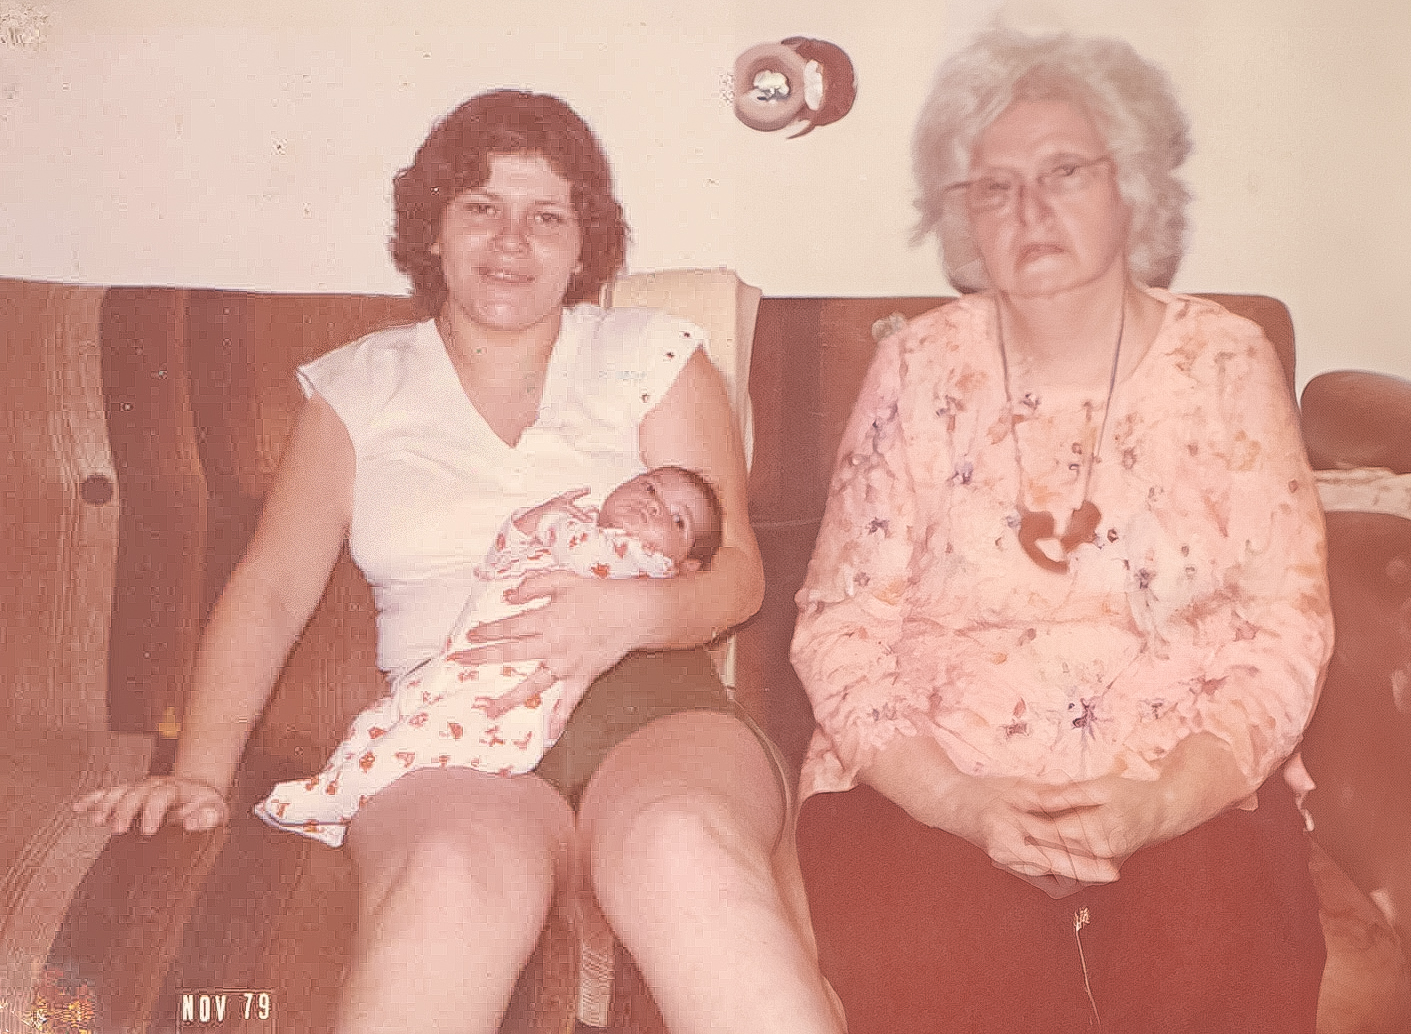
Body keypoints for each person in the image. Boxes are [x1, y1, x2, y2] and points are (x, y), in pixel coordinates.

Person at [74, 89, 845, 1034]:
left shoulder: (651, 355)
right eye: (481, 206)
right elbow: (272, 590)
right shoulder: (357, 388)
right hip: (447, 731)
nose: (511, 240)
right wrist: (198, 774)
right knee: (449, 882)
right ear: (432, 229)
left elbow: (736, 577)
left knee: (683, 848)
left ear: (583, 244)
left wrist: (626, 617)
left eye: (546, 216)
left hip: (656, 710)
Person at [791, 26, 1333, 1034]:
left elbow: (1283, 626)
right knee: (951, 976)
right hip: (932, 788)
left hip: (1180, 784)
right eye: (993, 188)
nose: (1028, 210)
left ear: (1131, 185)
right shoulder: (914, 365)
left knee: (1217, 958)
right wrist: (958, 802)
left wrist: (1162, 802)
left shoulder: (1224, 360)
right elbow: (838, 625)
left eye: (1063, 173)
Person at [256, 465, 725, 845]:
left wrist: (546, 521)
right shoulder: (575, 526)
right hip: (453, 668)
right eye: (650, 486)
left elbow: (586, 552)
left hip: (499, 707)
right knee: (378, 720)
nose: (654, 505)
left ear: (685, 567)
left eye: (677, 520)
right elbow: (495, 560)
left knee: (411, 743)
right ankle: (335, 799)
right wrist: (524, 524)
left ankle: (333, 796)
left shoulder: (644, 565)